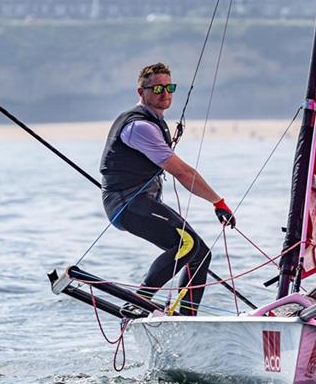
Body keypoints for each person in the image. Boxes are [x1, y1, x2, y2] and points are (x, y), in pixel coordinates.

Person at [99, 62, 235, 315]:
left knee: (200, 254)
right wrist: (218, 202)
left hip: (139, 202)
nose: (165, 93)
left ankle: (185, 315)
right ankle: (139, 300)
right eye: (158, 88)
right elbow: (183, 172)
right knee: (187, 243)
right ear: (141, 92)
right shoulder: (140, 127)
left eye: (169, 87)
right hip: (127, 205)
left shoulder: (154, 122)